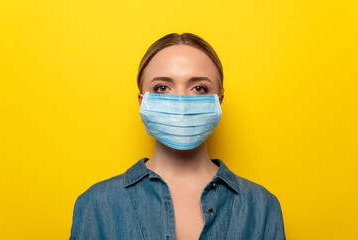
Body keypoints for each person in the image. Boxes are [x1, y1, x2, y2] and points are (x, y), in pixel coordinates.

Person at [69, 33, 286, 240]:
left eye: (199, 88)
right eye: (162, 87)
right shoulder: (95, 205)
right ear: (142, 102)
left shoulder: (262, 207)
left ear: (218, 102)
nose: (181, 101)